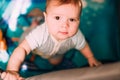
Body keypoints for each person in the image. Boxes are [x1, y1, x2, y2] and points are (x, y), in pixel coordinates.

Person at [1, 0, 102, 80]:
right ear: (46, 17)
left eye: (72, 19)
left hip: (57, 51)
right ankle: (34, 24)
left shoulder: (76, 36)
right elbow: (22, 49)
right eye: (57, 18)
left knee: (55, 62)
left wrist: (90, 58)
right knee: (24, 41)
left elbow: (83, 46)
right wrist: (12, 70)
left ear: (79, 20)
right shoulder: (40, 34)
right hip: (36, 47)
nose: (65, 25)